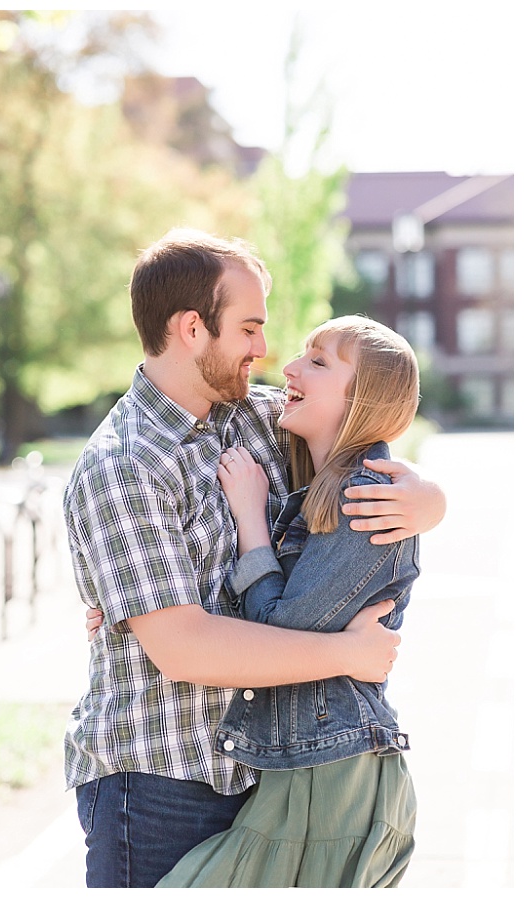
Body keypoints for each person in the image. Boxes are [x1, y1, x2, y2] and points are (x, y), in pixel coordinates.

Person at [63, 229, 444, 888]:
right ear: (190, 329)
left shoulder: (252, 418)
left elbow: (355, 428)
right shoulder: (123, 465)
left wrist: (426, 498)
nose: (265, 352)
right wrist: (347, 656)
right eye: (248, 329)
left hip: (260, 774)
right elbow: (186, 649)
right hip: (159, 785)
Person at [147, 314, 422, 886]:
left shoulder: (366, 499)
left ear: (362, 400)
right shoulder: (319, 480)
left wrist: (250, 518)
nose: (289, 367)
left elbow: (277, 628)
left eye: (318, 362)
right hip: (307, 768)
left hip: (332, 776)